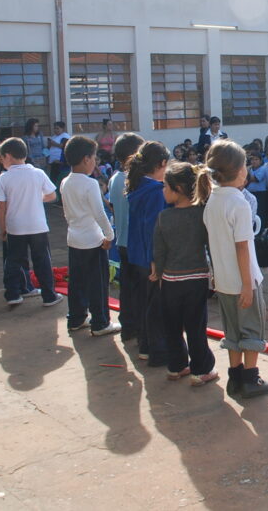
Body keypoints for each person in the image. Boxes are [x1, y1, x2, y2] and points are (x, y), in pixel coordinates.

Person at [199, 139, 268, 399]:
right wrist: (247, 284)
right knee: (251, 330)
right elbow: (242, 248)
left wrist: (216, 276)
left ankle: (235, 379)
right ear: (240, 169)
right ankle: (251, 379)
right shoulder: (239, 203)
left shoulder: (212, 201)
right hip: (244, 280)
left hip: (223, 280)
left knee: (232, 331)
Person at [150, 162, 217, 385]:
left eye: (165, 187)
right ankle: (201, 370)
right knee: (195, 327)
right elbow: (211, 246)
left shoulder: (163, 217)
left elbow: (159, 251)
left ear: (178, 188)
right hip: (196, 280)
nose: (162, 191)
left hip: (170, 281)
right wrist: (215, 273)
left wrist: (158, 274)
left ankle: (176, 366)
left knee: (172, 326)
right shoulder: (202, 214)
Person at [60, 136, 119, 337]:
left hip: (74, 238)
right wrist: (109, 235)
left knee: (76, 281)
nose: (95, 162)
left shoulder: (65, 182)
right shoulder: (90, 183)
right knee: (98, 283)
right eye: (94, 157)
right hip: (93, 240)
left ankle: (76, 318)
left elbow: (67, 212)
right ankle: (101, 322)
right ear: (86, 159)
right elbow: (99, 213)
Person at [0, 137, 63, 308]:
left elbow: (1, 206)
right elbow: (53, 195)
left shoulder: (4, 178)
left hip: (15, 227)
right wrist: (37, 198)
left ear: (8, 156)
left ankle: (13, 294)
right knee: (42, 261)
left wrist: (2, 228)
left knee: (13, 261)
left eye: (1, 158)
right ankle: (49, 295)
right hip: (37, 226)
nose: (1, 162)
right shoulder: (37, 173)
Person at [126, 141, 171, 365]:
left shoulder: (138, 185)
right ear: (162, 163)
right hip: (150, 257)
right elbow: (153, 227)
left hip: (138, 254)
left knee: (146, 304)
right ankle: (157, 351)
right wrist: (156, 261)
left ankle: (145, 346)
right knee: (157, 307)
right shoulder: (155, 191)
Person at [108, 133, 145, 341]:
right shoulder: (136, 181)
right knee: (139, 289)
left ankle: (128, 326)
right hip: (136, 244)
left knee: (127, 287)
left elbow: (114, 207)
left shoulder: (115, 179)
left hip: (122, 241)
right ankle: (139, 327)